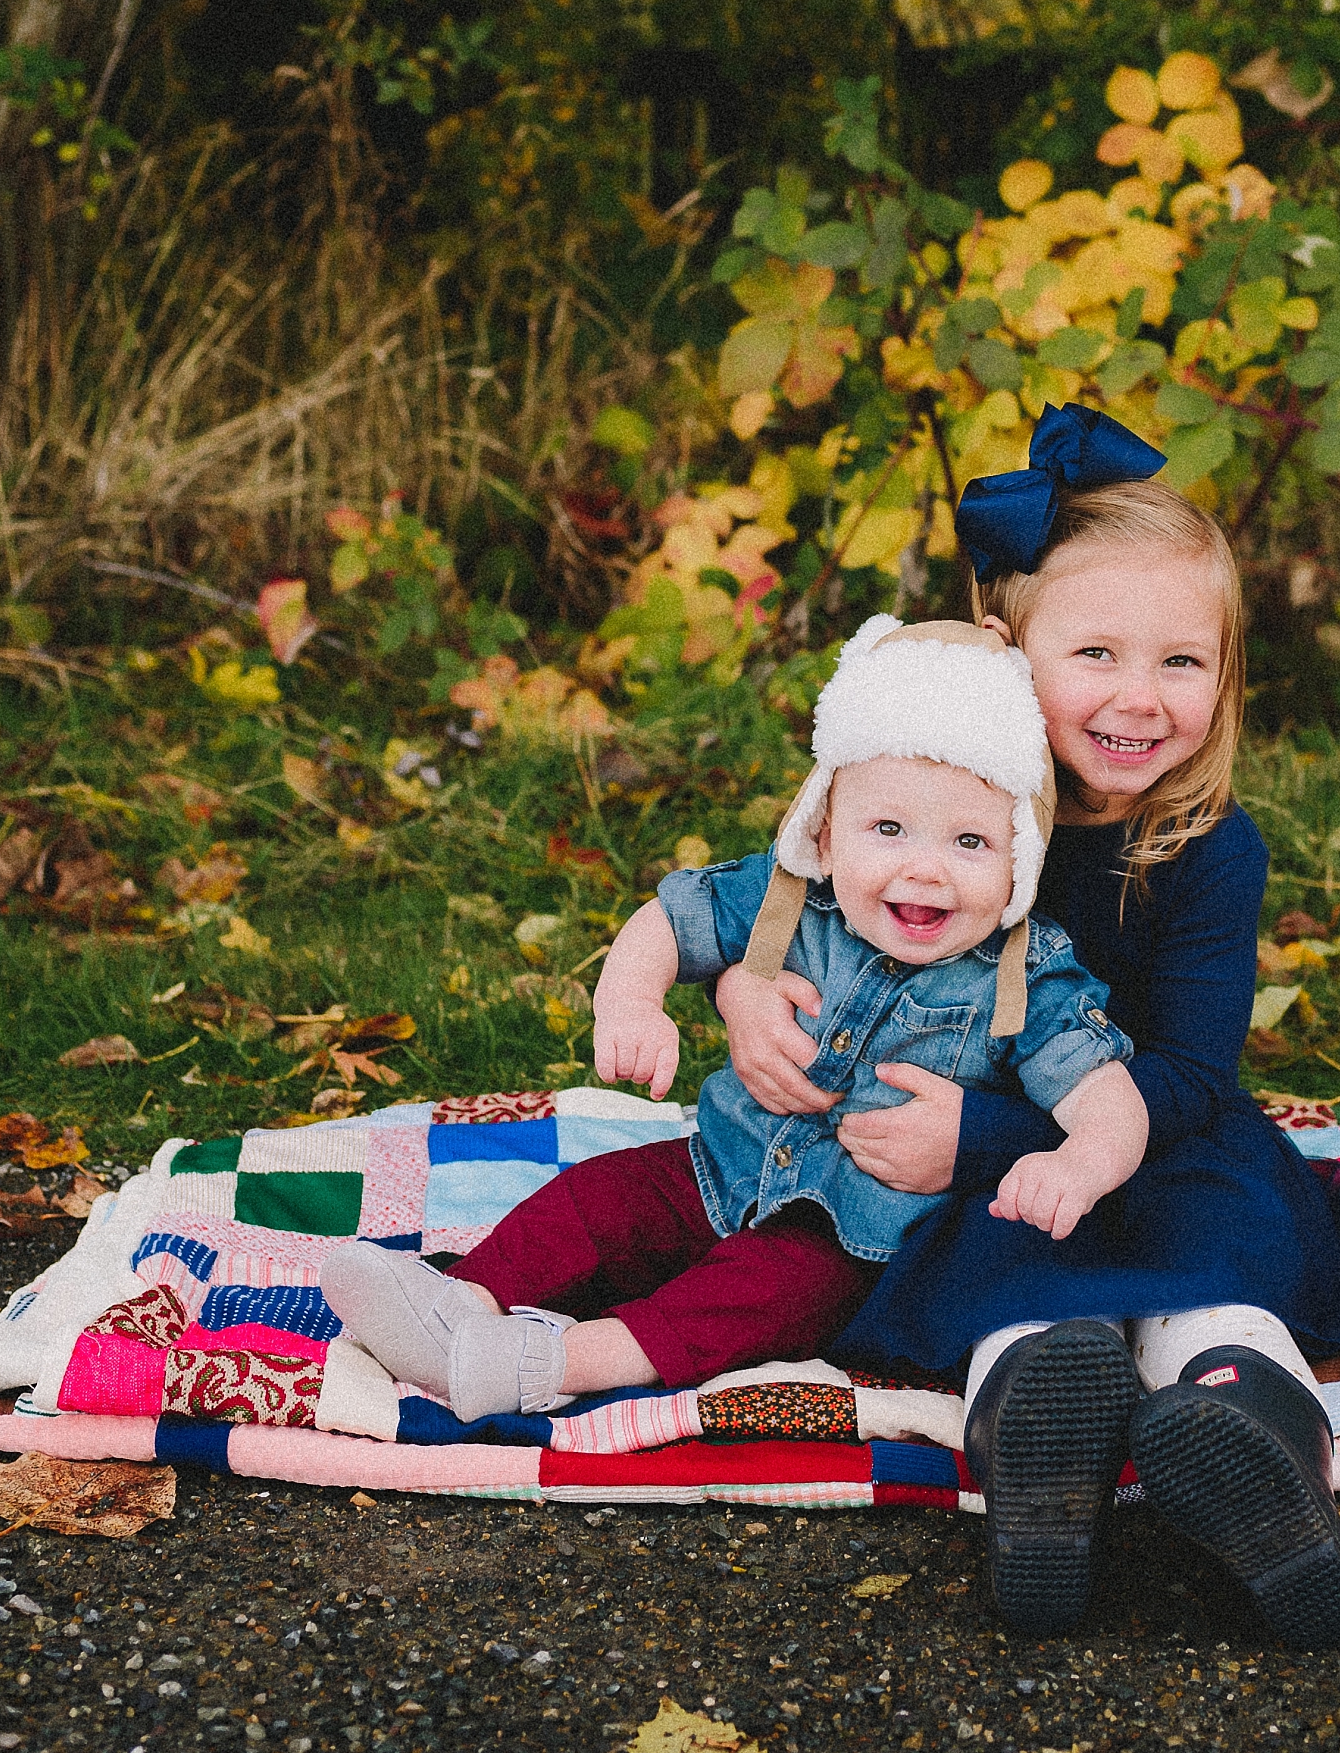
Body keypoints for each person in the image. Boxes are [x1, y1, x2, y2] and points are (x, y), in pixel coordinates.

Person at [717, 404, 1340, 1646]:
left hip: (1158, 1138)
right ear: (1007, 653)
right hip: (978, 1170)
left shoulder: (1212, 850)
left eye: (1182, 661)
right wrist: (745, 991)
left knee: (1221, 1263)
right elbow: (789, 895)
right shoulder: (946, 807)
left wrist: (998, 1139)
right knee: (1021, 1281)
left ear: (1224, 677)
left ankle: (1250, 1435)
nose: (1140, 696)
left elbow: (1192, 1072)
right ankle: (1040, 1459)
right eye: (1097, 652)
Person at [324, 614, 1148, 1433]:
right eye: (887, 829)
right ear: (826, 834)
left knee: (753, 1299)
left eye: (970, 841)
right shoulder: (791, 899)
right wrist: (630, 1002)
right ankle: (458, 1300)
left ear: (1021, 862)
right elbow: (671, 921)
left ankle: (547, 1365)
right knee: (595, 1202)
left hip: (848, 1243)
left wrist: (1080, 1163)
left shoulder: (1026, 977)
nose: (923, 867)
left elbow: (1105, 1092)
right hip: (719, 1164)